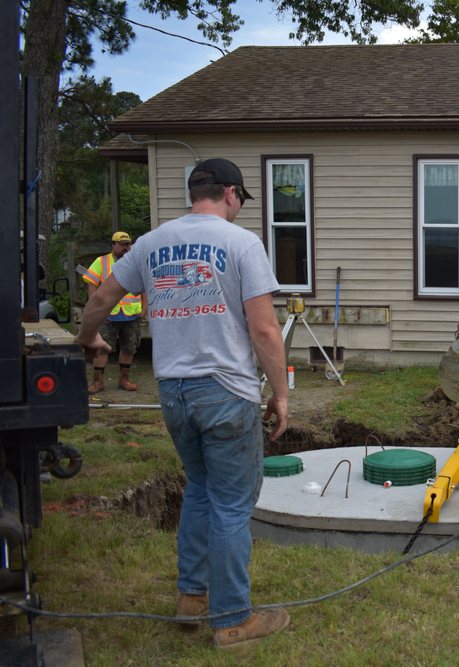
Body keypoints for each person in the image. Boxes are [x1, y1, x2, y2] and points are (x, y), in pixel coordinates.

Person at [75, 158, 291, 649]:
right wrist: (280, 394)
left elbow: (102, 297)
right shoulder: (242, 243)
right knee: (231, 503)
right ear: (231, 193)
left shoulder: (151, 243)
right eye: (241, 199)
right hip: (226, 391)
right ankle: (233, 620)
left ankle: (192, 598)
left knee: (200, 490)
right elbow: (263, 329)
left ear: (195, 193)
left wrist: (89, 337)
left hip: (173, 392)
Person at [81, 231, 146, 394]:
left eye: (128, 244)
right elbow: (92, 285)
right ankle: (98, 381)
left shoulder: (135, 263)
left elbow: (144, 287)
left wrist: (145, 308)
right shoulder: (101, 262)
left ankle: (124, 379)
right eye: (122, 244)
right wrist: (95, 309)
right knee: (102, 348)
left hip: (131, 314)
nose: (125, 247)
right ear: (113, 245)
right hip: (108, 315)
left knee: (129, 347)